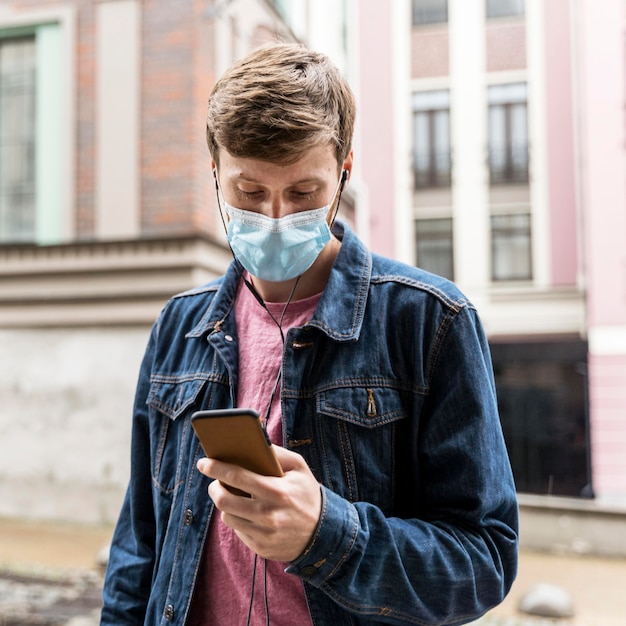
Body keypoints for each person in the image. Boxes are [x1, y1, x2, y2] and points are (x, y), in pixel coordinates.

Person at [101, 42, 518, 626]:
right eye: (248, 193)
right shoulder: (179, 326)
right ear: (215, 172)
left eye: (303, 195)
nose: (274, 217)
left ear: (344, 171)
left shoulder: (430, 321)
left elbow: (485, 561)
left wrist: (327, 534)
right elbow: (139, 546)